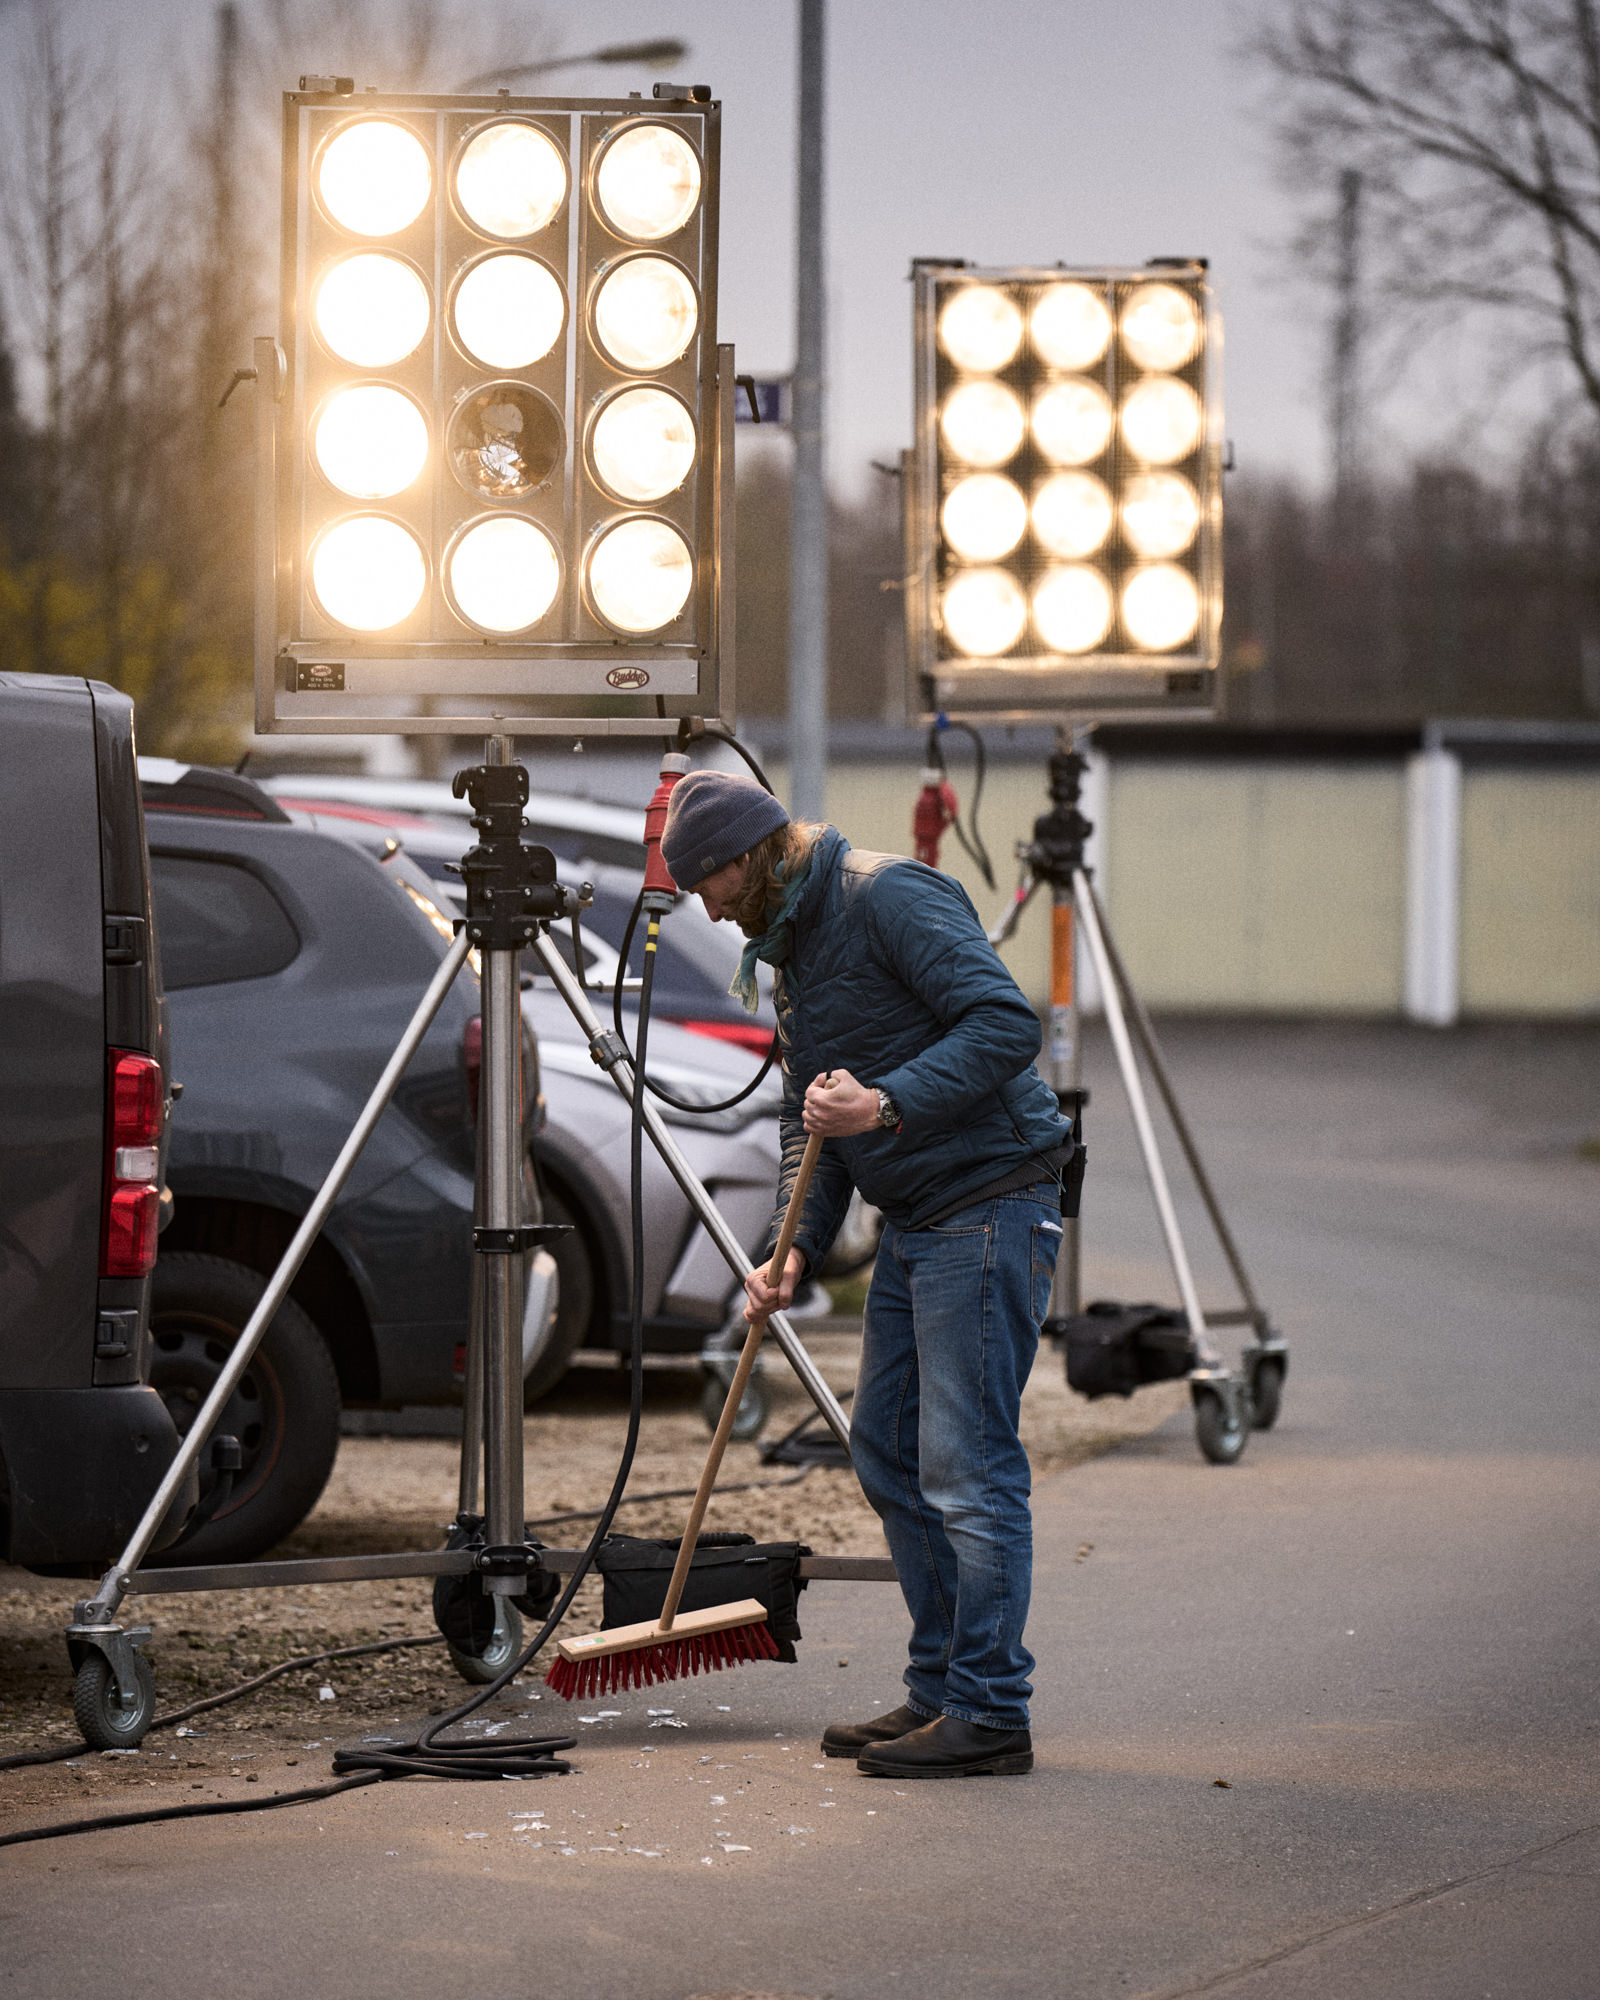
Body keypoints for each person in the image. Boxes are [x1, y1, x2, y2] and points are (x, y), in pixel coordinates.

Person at [661, 768, 1074, 1779]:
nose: (708, 906)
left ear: (758, 852)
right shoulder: (794, 947)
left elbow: (1004, 1024)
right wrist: (791, 1244)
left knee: (965, 1464)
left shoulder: (885, 895)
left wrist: (885, 1103)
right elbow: (813, 1115)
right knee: (887, 1448)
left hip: (988, 1199)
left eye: (712, 880)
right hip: (920, 1218)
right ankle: (939, 1688)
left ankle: (989, 1707)